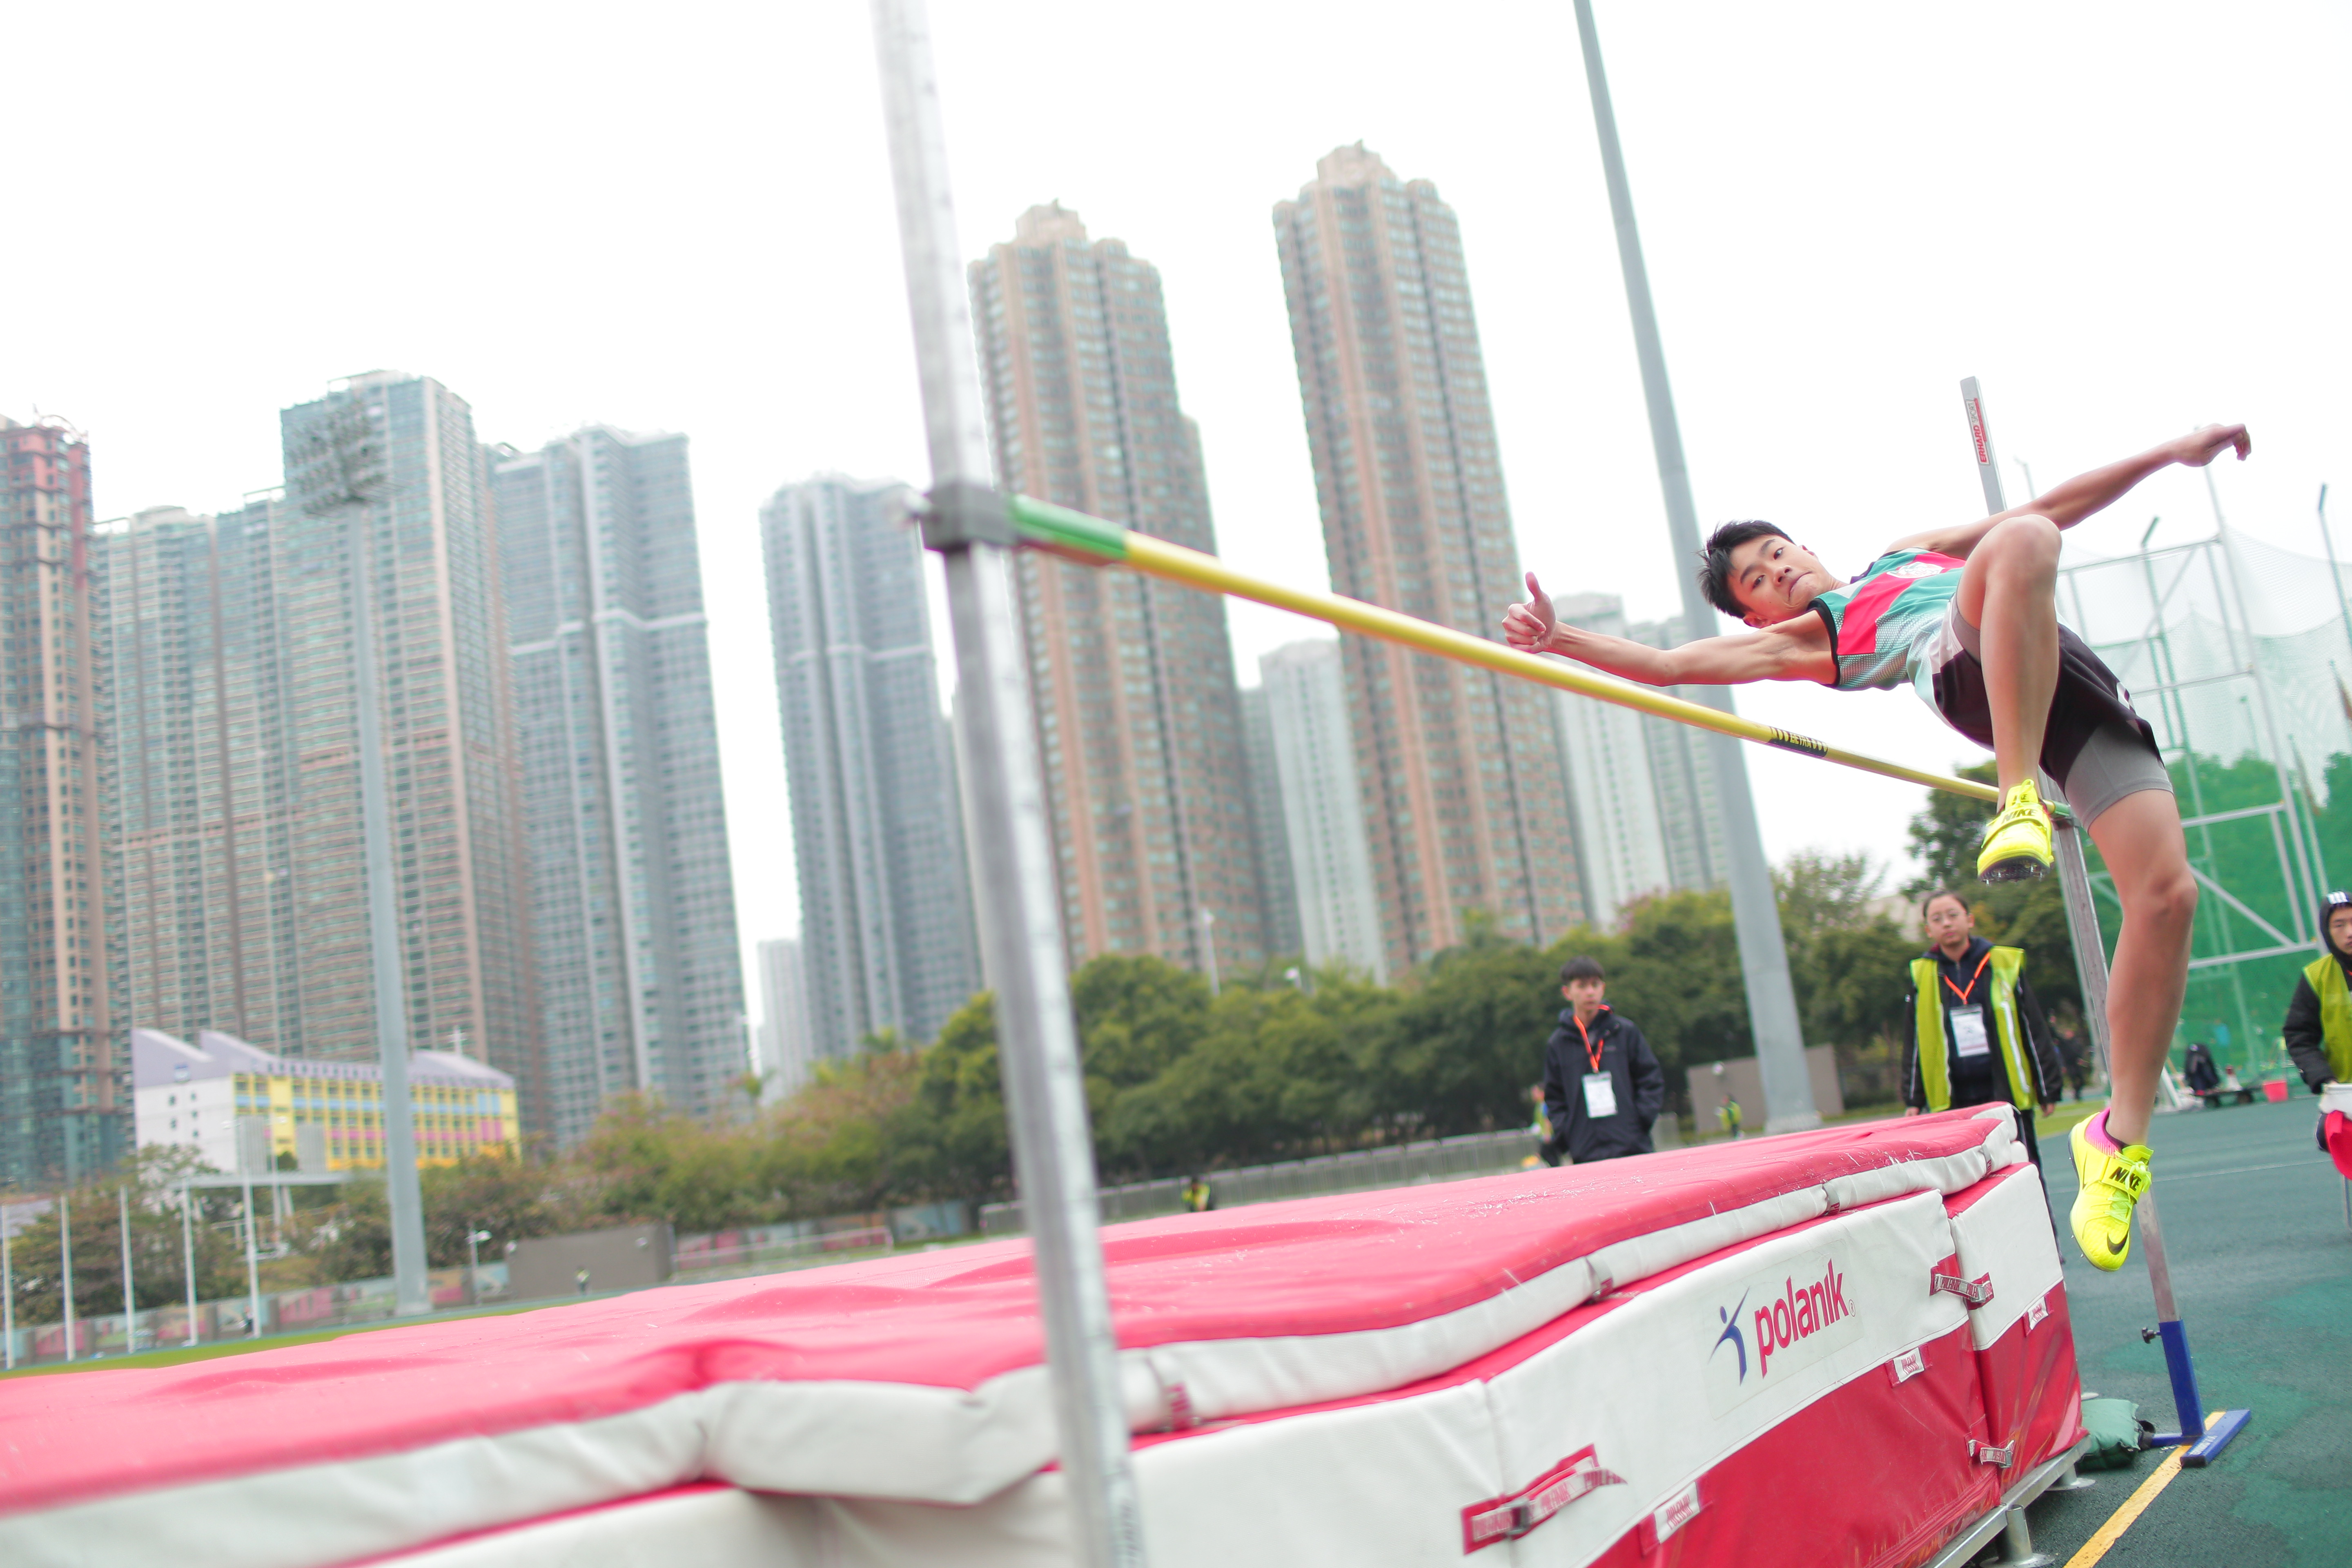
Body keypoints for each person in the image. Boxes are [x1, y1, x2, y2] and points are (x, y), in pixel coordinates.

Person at [1505, 425, 2251, 1270]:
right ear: (1759, 615)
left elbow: (2055, 502)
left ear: (1805, 546)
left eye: (1778, 553)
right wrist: (1561, 639)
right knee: (2023, 541)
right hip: (1970, 666)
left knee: (2168, 898)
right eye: (1758, 580)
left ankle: (2117, 1139)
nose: (1778, 571)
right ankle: (2016, 796)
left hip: (2078, 698)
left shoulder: (1905, 553)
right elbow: (1669, 665)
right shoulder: (1808, 637)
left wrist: (2170, 453)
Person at [1900, 890, 2061, 1167]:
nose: (1947, 923)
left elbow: (2032, 1026)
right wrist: (1913, 1098)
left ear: (1970, 920)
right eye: (1937, 919)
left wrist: (2047, 1087)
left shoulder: (2002, 964)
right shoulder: (1922, 975)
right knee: (1969, 1174)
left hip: (2006, 1090)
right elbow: (1915, 1041)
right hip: (1954, 1097)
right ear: (1928, 930)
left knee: (2023, 1166)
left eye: (1953, 915)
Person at [1541, 956, 1665, 1163]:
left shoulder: (1624, 1032)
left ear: (1603, 988)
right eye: (1582, 986)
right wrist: (1568, 1133)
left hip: (1633, 1147)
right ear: (1567, 992)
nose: (1590, 992)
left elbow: (1651, 1079)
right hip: (1585, 1153)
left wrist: (1640, 1120)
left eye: (1595, 985)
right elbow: (1554, 1097)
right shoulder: (1558, 1044)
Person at [2281, 889, 2352, 1168]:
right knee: (2330, 1134)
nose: (2349, 932)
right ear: (2327, 932)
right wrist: (2325, 1080)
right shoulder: (2316, 976)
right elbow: (2299, 1035)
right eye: (2339, 925)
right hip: (2346, 1094)